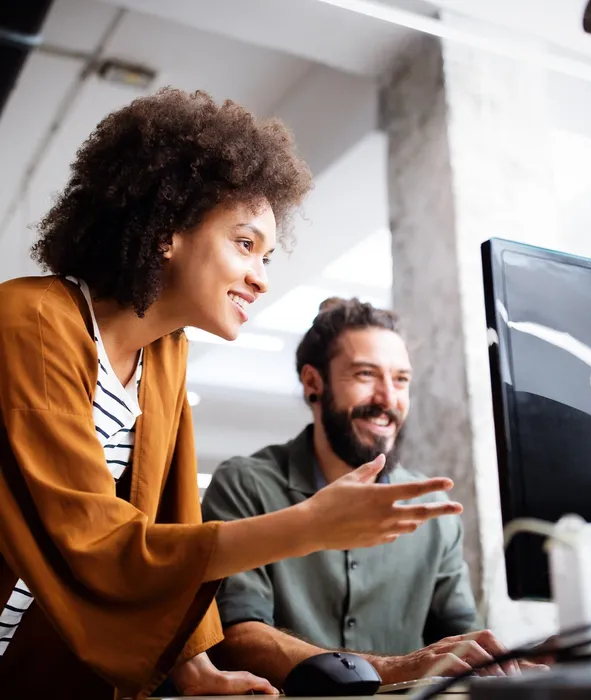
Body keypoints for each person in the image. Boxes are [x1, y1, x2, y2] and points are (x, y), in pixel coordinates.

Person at [0, 90, 463, 700]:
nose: (261, 277)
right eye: (245, 244)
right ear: (167, 231)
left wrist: (199, 673)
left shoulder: (164, 352)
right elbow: (95, 540)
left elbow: (168, 515)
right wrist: (306, 527)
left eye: (267, 256)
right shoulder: (31, 321)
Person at [202, 298, 523, 687]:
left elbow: (460, 640)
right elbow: (234, 637)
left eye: (401, 379)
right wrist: (390, 669)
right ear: (312, 383)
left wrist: (521, 664)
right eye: (366, 374)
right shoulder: (245, 486)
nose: (388, 399)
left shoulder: (434, 510)